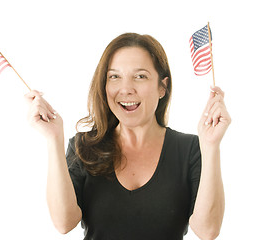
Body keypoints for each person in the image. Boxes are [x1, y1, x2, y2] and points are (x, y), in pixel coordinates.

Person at [25, 33, 231, 240]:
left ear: (162, 87)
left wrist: (211, 145)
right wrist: (53, 140)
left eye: (140, 76)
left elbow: (208, 230)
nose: (126, 89)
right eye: (114, 76)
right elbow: (63, 223)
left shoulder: (191, 149)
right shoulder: (84, 146)